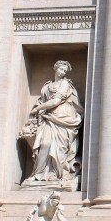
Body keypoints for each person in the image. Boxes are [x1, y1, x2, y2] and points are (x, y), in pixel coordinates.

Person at [21, 60, 83, 189]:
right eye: (61, 69)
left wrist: (37, 109)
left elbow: (55, 101)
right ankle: (39, 174)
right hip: (48, 118)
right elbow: (42, 101)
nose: (62, 72)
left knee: (59, 148)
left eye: (65, 71)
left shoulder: (65, 84)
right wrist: (39, 110)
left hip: (63, 118)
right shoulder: (47, 86)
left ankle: (56, 174)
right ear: (55, 68)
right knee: (44, 144)